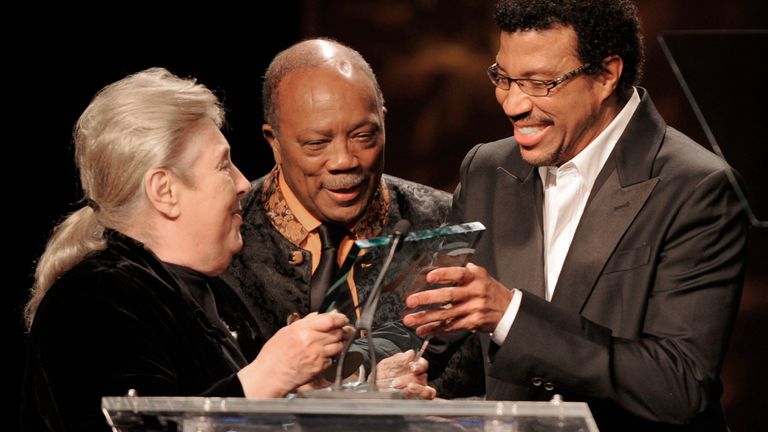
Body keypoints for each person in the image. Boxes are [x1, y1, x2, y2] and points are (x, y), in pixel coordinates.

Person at [403, 0, 749, 430]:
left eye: (538, 82)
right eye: (504, 78)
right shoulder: (485, 170)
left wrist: (509, 315)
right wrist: (411, 375)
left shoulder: (698, 188)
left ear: (606, 75)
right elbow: (452, 345)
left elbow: (679, 385)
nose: (512, 105)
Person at [21, 67, 359, 432]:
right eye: (223, 165)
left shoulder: (212, 295)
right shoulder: (93, 300)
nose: (244, 183)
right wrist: (264, 379)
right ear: (165, 191)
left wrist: (357, 393)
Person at [221, 38, 457, 390]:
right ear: (274, 141)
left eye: (364, 136)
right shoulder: (225, 238)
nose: (345, 160)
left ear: (384, 122)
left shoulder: (445, 223)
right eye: (317, 143)